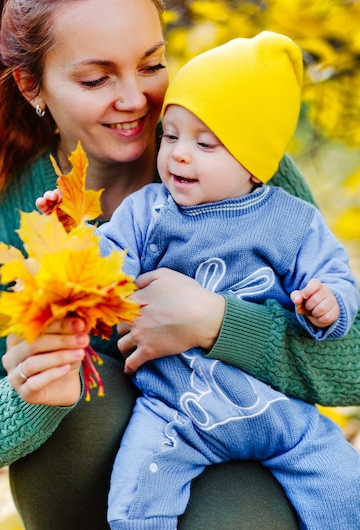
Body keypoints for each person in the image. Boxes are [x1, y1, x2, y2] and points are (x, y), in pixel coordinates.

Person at [0, 0, 360, 530]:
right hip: (99, 468)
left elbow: (351, 363)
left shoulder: (237, 165)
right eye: (96, 77)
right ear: (33, 86)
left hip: (249, 452)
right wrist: (27, 393)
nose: (136, 98)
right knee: (84, 406)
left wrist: (216, 323)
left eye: (151, 64)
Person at [38, 32, 360, 530]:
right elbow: (109, 261)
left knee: (343, 486)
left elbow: (331, 274)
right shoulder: (149, 210)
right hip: (175, 412)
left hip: (278, 414)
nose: (179, 155)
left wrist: (329, 305)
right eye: (170, 136)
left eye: (205, 143)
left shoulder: (291, 220)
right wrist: (71, 238)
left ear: (254, 165)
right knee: (137, 495)